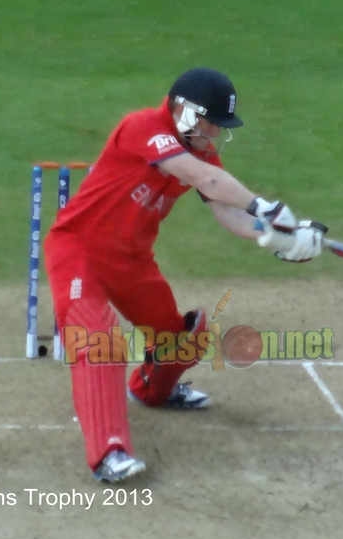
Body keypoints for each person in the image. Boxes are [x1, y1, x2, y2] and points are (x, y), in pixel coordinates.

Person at [44, 67, 326, 482]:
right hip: (79, 248)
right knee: (98, 339)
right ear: (184, 110)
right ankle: (110, 453)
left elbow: (226, 208)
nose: (214, 132)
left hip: (131, 259)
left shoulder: (202, 150)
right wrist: (264, 206)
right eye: (210, 121)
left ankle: (152, 390)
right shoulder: (143, 126)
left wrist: (278, 238)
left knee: (181, 338)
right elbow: (206, 179)